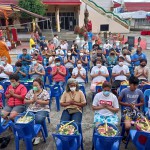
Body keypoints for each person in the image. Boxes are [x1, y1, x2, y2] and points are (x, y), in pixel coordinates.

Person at [118, 76, 144, 142]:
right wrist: (128, 105)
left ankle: (140, 136)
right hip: (127, 110)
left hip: (135, 110)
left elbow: (142, 102)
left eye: (136, 85)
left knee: (144, 124)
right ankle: (129, 135)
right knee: (127, 126)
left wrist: (135, 105)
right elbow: (119, 101)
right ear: (129, 84)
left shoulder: (139, 91)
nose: (135, 87)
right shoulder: (124, 91)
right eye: (134, 85)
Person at [25, 78, 50, 145]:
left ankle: (38, 135)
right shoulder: (30, 91)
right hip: (31, 109)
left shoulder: (44, 92)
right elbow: (25, 100)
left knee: (38, 119)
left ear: (40, 85)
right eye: (33, 85)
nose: (35, 87)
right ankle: (31, 133)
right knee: (27, 119)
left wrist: (37, 101)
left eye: (36, 85)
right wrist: (31, 101)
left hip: (42, 109)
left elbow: (47, 102)